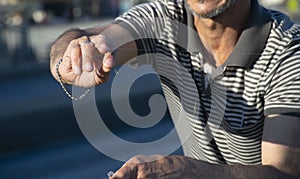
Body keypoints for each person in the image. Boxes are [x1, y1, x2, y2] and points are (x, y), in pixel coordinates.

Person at [50, 0, 300, 178]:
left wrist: (189, 171)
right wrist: (74, 57)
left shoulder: (288, 49)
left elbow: (283, 173)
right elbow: (94, 38)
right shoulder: (166, 17)